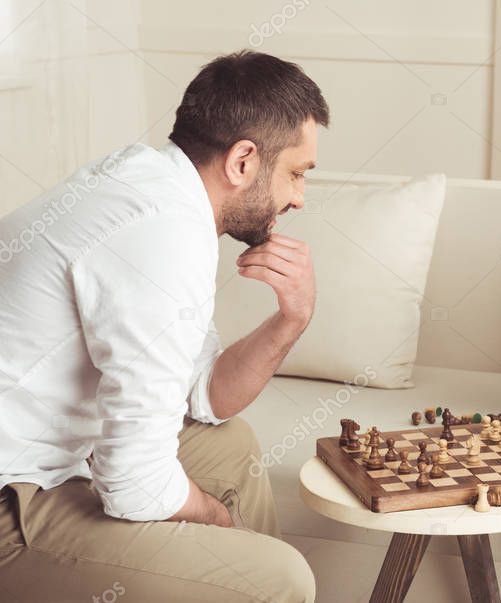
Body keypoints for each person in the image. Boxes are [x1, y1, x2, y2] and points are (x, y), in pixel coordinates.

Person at [0, 50, 327, 601]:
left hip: (57, 453)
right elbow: (133, 484)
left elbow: (203, 397)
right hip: (12, 496)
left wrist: (292, 319)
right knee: (280, 577)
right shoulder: (162, 234)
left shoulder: (159, 188)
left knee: (231, 447)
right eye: (296, 173)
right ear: (243, 161)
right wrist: (219, 524)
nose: (299, 196)